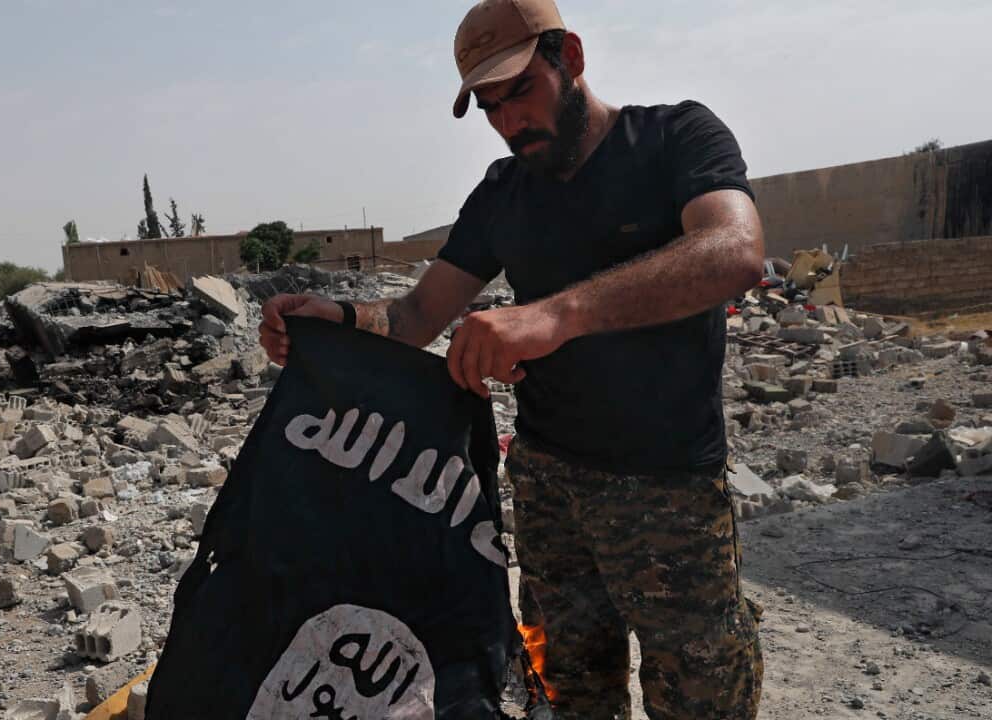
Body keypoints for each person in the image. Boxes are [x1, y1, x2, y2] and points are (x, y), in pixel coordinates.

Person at [257, 0, 764, 717]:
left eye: (520, 91)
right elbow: (411, 316)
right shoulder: (504, 192)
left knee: (704, 698)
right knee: (570, 690)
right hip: (550, 488)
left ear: (571, 58)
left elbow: (734, 252)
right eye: (490, 106)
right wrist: (331, 321)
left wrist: (553, 315)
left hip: (669, 487)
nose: (508, 121)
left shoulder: (675, 138)